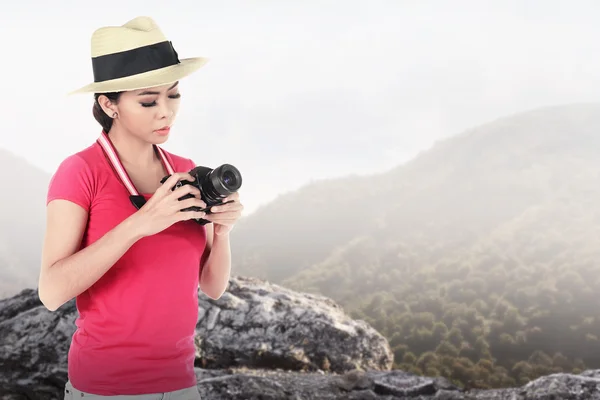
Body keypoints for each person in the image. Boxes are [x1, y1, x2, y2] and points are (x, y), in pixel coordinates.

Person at [37, 16, 244, 399]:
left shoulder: (183, 171)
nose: (166, 111)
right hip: (103, 388)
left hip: (181, 385)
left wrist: (223, 231)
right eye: (148, 101)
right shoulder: (81, 171)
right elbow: (51, 292)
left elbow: (213, 287)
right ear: (108, 104)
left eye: (174, 95)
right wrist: (140, 224)